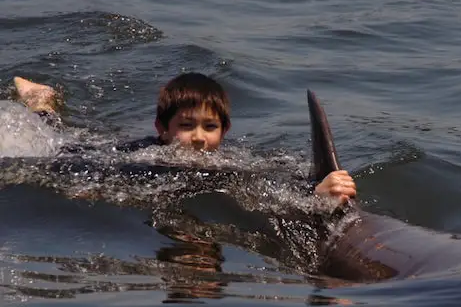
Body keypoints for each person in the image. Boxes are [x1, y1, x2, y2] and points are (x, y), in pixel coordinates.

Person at [12, 73, 357, 203]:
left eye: (210, 128)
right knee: (57, 139)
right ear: (162, 129)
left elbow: (264, 181)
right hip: (97, 153)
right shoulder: (147, 160)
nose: (198, 138)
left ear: (225, 131)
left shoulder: (228, 159)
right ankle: (42, 105)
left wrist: (316, 187)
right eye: (186, 126)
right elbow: (79, 171)